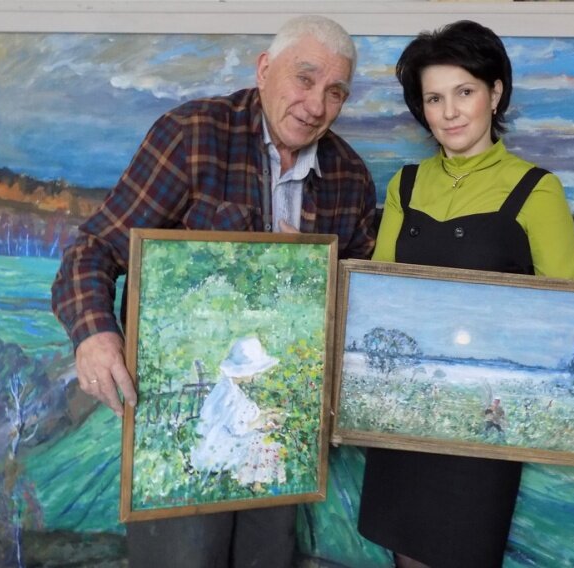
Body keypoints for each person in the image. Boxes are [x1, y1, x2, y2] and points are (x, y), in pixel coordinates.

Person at [50, 14, 376, 568]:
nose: (316, 105)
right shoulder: (192, 135)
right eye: (304, 79)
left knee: (266, 559)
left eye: (335, 92)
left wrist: (314, 281)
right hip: (179, 428)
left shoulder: (350, 176)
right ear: (265, 70)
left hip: (281, 435)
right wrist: (95, 336)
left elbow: (357, 302)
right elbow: (94, 250)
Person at [355, 20, 574, 568]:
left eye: (464, 92)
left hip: (485, 425)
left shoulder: (537, 189)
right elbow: (376, 292)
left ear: (495, 92)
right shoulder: (405, 185)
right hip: (405, 410)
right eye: (434, 99)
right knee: (404, 553)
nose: (450, 112)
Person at [189, 336, 287, 492]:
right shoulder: (228, 394)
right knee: (262, 440)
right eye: (254, 370)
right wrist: (261, 424)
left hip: (224, 437)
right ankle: (252, 482)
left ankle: (252, 481)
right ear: (244, 370)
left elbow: (245, 413)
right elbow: (237, 428)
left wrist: (266, 414)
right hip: (219, 445)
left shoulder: (230, 387)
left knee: (263, 435)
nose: (255, 375)